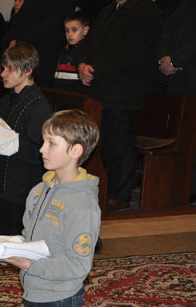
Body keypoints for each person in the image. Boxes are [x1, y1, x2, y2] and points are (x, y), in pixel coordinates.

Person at [0, 109, 159, 307]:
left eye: (51, 143)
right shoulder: (39, 190)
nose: (42, 149)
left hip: (59, 294)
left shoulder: (81, 204)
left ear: (75, 150)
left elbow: (79, 265)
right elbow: (30, 236)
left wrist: (28, 263)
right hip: (35, 286)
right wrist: (8, 249)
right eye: (44, 141)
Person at [76, 0, 161, 210]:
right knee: (104, 143)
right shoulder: (108, 10)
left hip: (125, 90)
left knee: (120, 144)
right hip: (101, 89)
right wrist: (82, 64)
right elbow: (90, 42)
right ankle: (104, 189)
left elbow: (133, 52)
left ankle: (119, 195)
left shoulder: (145, 10)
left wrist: (95, 69)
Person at [0, 43, 53, 237]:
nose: (3, 73)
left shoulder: (39, 107)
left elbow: (37, 152)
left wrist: (7, 138)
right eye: (4, 68)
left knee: (11, 245)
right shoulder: (5, 100)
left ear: (28, 70)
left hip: (17, 191)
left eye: (10, 69)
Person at [0, 0, 77, 87]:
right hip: (23, 56)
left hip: (45, 58)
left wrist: (19, 42)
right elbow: (17, 22)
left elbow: (48, 25)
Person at [52, 11, 89, 93]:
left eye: (74, 30)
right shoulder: (64, 49)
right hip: (59, 92)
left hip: (76, 94)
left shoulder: (86, 51)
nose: (69, 34)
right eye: (67, 30)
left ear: (85, 30)